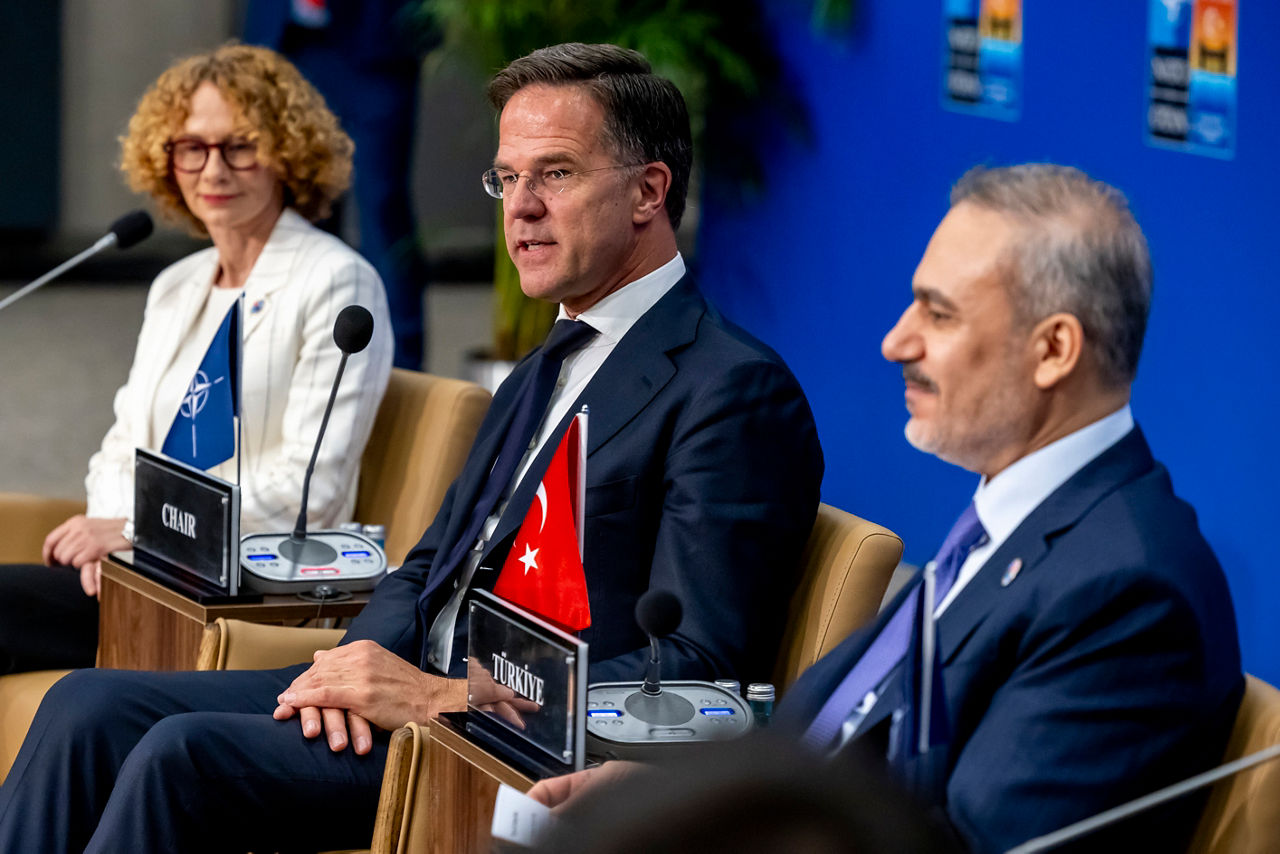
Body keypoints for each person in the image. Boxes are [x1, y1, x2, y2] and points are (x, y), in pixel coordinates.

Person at [0, 43, 822, 852]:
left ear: (648, 191)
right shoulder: (544, 363)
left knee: (178, 758)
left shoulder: (731, 389)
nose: (521, 207)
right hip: (402, 688)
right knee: (86, 707)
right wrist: (356, 662)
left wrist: (440, 695)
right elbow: (429, 566)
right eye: (507, 178)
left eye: (556, 174)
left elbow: (689, 671)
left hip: (499, 744)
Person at [531, 164, 1242, 853]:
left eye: (940, 313)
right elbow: (845, 738)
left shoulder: (1127, 591)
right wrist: (679, 796)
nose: (896, 341)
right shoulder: (1010, 525)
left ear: (1054, 349)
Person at [0, 43, 393, 677]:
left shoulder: (337, 282)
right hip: (134, 573)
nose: (214, 169)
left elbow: (310, 493)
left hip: (238, 593)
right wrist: (107, 535)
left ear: (287, 150)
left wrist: (135, 530)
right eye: (192, 147)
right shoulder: (176, 285)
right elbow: (124, 444)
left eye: (239, 146)